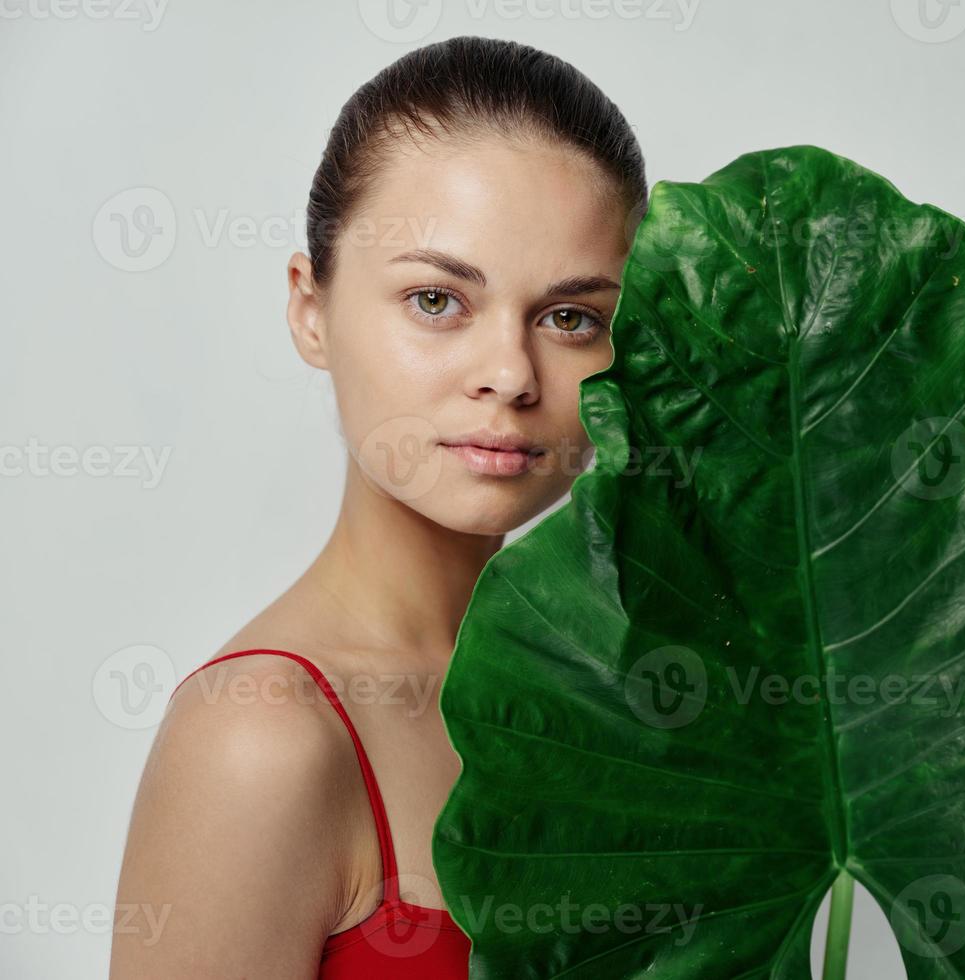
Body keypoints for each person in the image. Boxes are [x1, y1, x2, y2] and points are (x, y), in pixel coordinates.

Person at [109, 35, 646, 978]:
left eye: (571, 318)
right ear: (310, 308)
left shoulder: (621, 696)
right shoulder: (260, 736)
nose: (511, 376)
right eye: (437, 300)